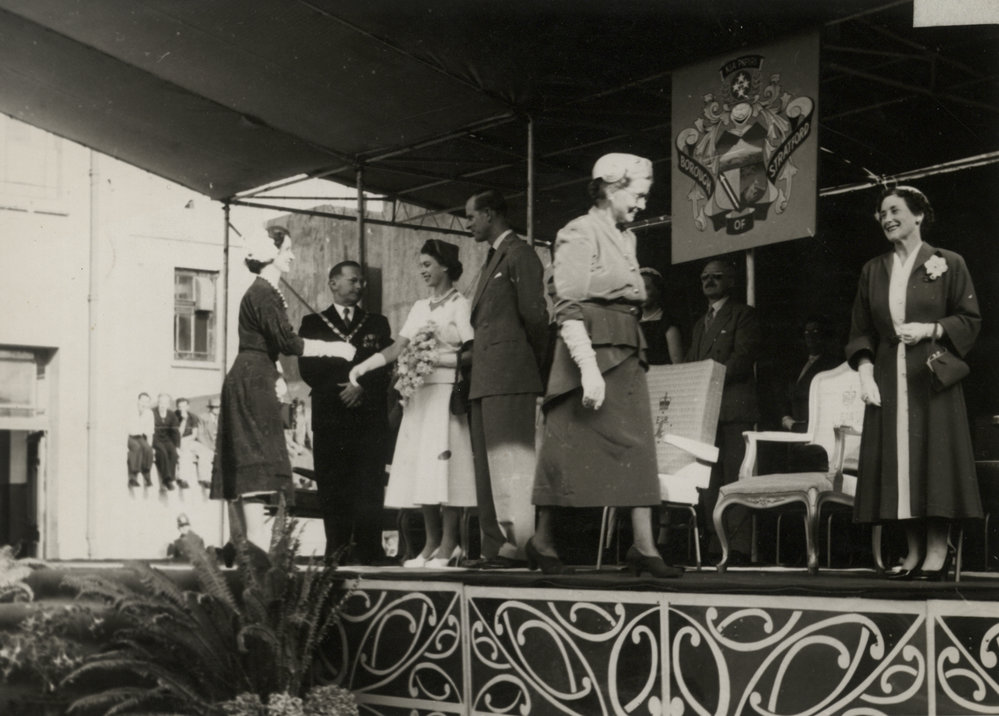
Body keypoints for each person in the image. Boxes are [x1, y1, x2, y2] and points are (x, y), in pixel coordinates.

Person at [532, 153, 680, 577]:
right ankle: (542, 541)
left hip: (627, 346)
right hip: (587, 350)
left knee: (637, 446)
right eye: (638, 195)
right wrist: (588, 367)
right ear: (611, 188)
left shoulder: (627, 238)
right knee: (567, 445)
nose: (643, 204)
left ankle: (644, 546)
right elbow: (568, 303)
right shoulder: (578, 232)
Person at [846, 185, 982, 580]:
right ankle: (913, 550)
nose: (886, 218)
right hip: (890, 376)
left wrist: (931, 329)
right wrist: (866, 373)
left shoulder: (948, 262)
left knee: (933, 462)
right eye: (881, 213)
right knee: (899, 463)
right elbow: (861, 330)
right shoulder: (873, 270)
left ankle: (939, 548)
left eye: (894, 210)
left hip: (931, 377)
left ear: (918, 215)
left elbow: (971, 319)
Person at [210, 228, 354, 523]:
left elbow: (271, 344)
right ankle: (255, 557)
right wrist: (337, 348)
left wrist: (276, 376)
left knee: (250, 459)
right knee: (256, 459)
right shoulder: (263, 293)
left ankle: (249, 556)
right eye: (286, 249)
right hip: (252, 381)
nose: (291, 254)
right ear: (270, 254)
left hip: (253, 376)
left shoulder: (264, 292)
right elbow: (288, 342)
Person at [351, 240, 476, 568]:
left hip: (445, 395)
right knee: (423, 469)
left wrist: (440, 359)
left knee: (444, 468)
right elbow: (397, 348)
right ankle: (431, 543)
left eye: (427, 264)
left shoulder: (460, 305)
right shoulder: (420, 307)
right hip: (419, 395)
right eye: (420, 264)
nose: (422, 270)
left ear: (445, 266)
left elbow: (474, 352)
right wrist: (363, 367)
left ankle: (451, 545)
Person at [464, 189, 549, 568]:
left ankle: (518, 545)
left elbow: (535, 318)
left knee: (510, 464)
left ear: (490, 214)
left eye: (471, 216)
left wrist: (529, 363)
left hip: (510, 373)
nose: (468, 223)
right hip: (486, 377)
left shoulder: (520, 254)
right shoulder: (492, 259)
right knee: (487, 467)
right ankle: (495, 547)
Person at [299, 260, 393, 564]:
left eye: (362, 282)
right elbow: (309, 369)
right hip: (331, 417)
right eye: (353, 281)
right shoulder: (312, 324)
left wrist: (360, 387)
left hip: (367, 417)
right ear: (333, 283)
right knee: (333, 485)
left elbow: (385, 363)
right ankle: (336, 551)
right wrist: (343, 389)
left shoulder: (377, 324)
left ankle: (370, 551)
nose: (359, 287)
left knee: (369, 484)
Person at [685, 259, 762, 561]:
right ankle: (716, 547)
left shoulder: (744, 315)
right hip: (707, 412)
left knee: (735, 479)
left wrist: (708, 379)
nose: (710, 281)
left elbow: (743, 358)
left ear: (731, 282)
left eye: (717, 277)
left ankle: (739, 548)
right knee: (710, 483)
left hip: (735, 409)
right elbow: (692, 361)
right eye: (705, 277)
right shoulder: (699, 324)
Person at [778, 314, 844, 472]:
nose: (810, 337)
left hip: (817, 436)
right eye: (806, 333)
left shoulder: (834, 366)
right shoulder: (797, 364)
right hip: (794, 434)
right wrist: (786, 418)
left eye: (815, 332)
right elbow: (785, 394)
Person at [639, 267, 683, 365]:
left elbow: (677, 364)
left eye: (646, 288)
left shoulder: (668, 324)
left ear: (658, 291)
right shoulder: (633, 323)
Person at [175, 397, 209, 488]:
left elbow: (194, 434)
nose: (182, 409)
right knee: (185, 454)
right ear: (177, 407)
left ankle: (204, 478)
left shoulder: (193, 416)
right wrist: (184, 420)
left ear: (188, 407)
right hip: (178, 440)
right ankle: (182, 479)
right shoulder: (174, 416)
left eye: (184, 406)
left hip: (189, 440)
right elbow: (178, 434)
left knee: (205, 451)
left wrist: (187, 440)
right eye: (180, 407)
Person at [152, 393, 183, 490]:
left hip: (166, 439)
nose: (163, 405)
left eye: (165, 402)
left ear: (169, 404)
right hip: (155, 439)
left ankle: (171, 478)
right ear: (158, 402)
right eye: (161, 402)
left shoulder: (171, 414)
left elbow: (175, 432)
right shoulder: (151, 412)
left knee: (173, 453)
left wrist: (177, 446)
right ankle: (166, 479)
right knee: (162, 452)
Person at [126, 392, 154, 487]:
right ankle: (133, 477)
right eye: (142, 401)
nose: (144, 404)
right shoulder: (130, 410)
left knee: (148, 449)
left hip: (139, 437)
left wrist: (150, 446)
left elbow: (150, 432)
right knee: (136, 448)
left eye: (146, 402)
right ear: (138, 401)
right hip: (128, 436)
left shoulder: (149, 413)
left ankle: (147, 476)